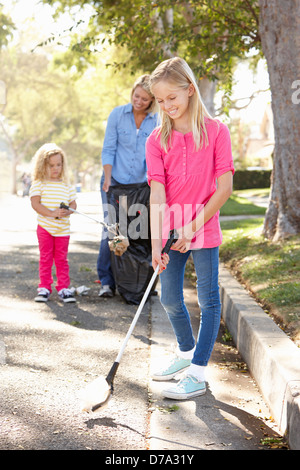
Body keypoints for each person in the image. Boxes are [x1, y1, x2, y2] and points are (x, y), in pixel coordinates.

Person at [146, 57, 234, 400]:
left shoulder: (216, 131)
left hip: (203, 226)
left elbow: (224, 188)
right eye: (161, 100)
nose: (167, 106)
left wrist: (192, 227)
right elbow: (157, 192)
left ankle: (197, 373)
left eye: (172, 97)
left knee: (210, 300)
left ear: (190, 90)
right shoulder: (157, 139)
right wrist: (157, 243)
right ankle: (185, 352)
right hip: (170, 229)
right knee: (168, 297)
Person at [97, 74, 158, 297]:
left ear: (152, 101)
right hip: (114, 182)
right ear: (132, 92)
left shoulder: (156, 121)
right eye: (137, 96)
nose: (139, 101)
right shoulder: (117, 115)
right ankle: (106, 281)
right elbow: (108, 148)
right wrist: (107, 178)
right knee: (112, 230)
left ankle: (141, 281)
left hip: (140, 186)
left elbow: (157, 154)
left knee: (138, 231)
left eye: (145, 99)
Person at [29, 143, 77, 303]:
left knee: (62, 258)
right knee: (46, 257)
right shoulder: (39, 183)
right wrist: (51, 214)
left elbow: (73, 205)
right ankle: (44, 287)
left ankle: (63, 287)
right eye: (51, 165)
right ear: (43, 166)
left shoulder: (66, 185)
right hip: (45, 228)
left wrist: (68, 211)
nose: (55, 168)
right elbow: (35, 204)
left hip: (62, 229)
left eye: (58, 164)